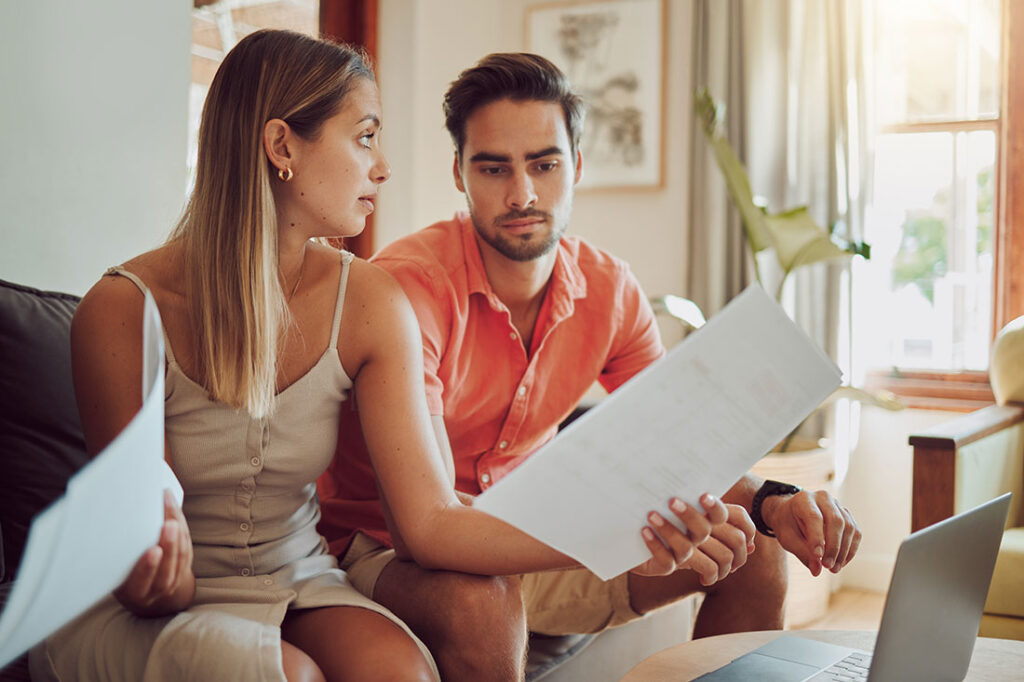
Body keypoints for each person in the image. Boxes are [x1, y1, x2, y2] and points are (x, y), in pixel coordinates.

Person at [33, 33, 731, 682]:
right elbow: (133, 560)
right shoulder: (123, 309)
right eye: (365, 137)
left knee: (402, 673)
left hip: (296, 573)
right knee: (292, 675)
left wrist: (634, 524)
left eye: (544, 165)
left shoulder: (367, 300)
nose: (384, 167)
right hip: (155, 602)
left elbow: (429, 522)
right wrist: (158, 572)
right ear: (283, 146)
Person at [318, 52, 863, 682]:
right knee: (481, 600)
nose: (522, 194)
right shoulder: (408, 289)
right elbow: (431, 532)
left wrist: (776, 502)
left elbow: (679, 447)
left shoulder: (610, 290)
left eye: (544, 164)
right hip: (384, 547)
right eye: (493, 168)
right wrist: (609, 536)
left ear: (576, 166)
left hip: (528, 530)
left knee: (752, 551)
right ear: (460, 175)